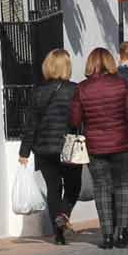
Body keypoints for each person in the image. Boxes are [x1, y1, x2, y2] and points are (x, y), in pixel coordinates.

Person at [69, 46, 128, 248]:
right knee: (122, 185)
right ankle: (122, 233)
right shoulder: (121, 84)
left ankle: (107, 235)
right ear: (110, 62)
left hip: (95, 146)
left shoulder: (82, 88)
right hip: (122, 144)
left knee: (101, 187)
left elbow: (75, 120)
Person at [16, 48, 81, 243]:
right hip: (68, 147)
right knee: (73, 186)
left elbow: (31, 125)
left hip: (43, 149)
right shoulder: (75, 90)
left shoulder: (37, 92)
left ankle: (58, 233)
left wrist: (24, 151)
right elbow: (79, 120)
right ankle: (64, 216)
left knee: (53, 188)